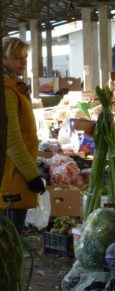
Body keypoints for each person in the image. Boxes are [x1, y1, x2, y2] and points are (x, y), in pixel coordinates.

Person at [2, 37, 45, 234]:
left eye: (25, 57)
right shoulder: (6, 90)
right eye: (17, 57)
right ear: (3, 59)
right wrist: (32, 175)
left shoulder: (15, 86)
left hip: (15, 175)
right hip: (11, 179)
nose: (23, 62)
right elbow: (11, 139)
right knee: (9, 248)